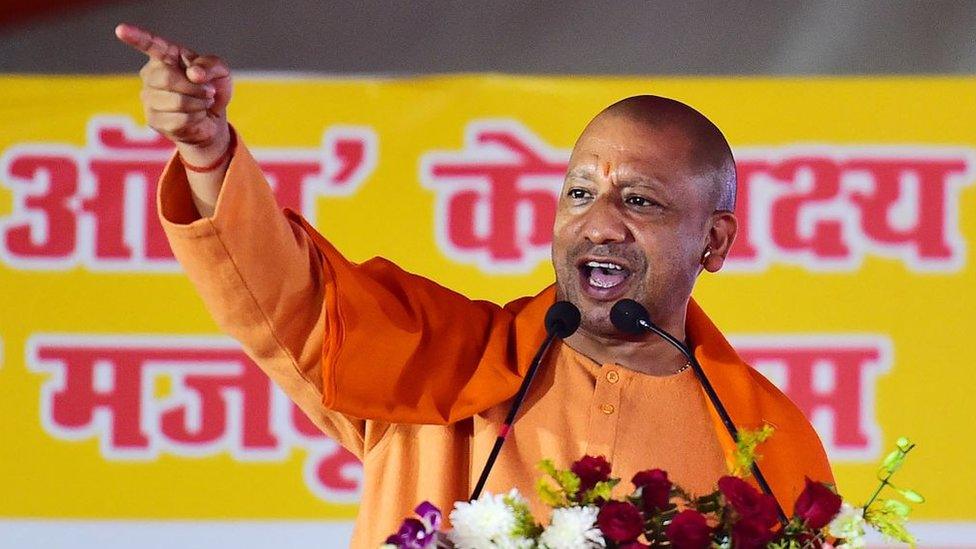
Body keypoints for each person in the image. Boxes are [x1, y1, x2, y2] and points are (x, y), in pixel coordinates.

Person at [116, 23, 834, 547]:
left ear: (714, 240)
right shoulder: (438, 362)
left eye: (639, 201)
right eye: (579, 193)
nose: (599, 225)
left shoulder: (764, 446)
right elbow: (290, 299)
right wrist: (207, 154)